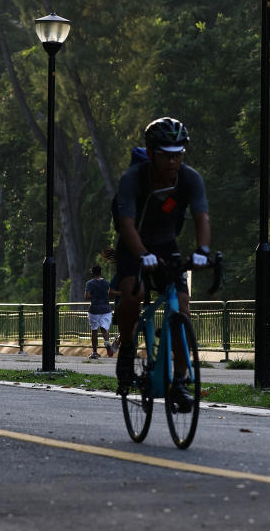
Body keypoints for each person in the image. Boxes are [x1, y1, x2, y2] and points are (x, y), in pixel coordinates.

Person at [112, 117, 212, 411]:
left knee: (182, 308)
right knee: (133, 292)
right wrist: (143, 254)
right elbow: (126, 224)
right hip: (134, 244)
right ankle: (127, 348)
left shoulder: (190, 178)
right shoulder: (133, 178)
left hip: (166, 244)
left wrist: (203, 250)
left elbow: (202, 217)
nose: (173, 160)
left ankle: (178, 382)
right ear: (151, 152)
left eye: (178, 153)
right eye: (166, 154)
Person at [85, 265, 119, 359]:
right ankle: (107, 343)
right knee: (104, 330)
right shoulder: (107, 283)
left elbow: (86, 296)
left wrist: (94, 296)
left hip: (94, 310)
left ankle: (95, 352)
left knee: (94, 331)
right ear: (101, 272)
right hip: (106, 309)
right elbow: (111, 295)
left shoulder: (90, 283)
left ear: (93, 272)